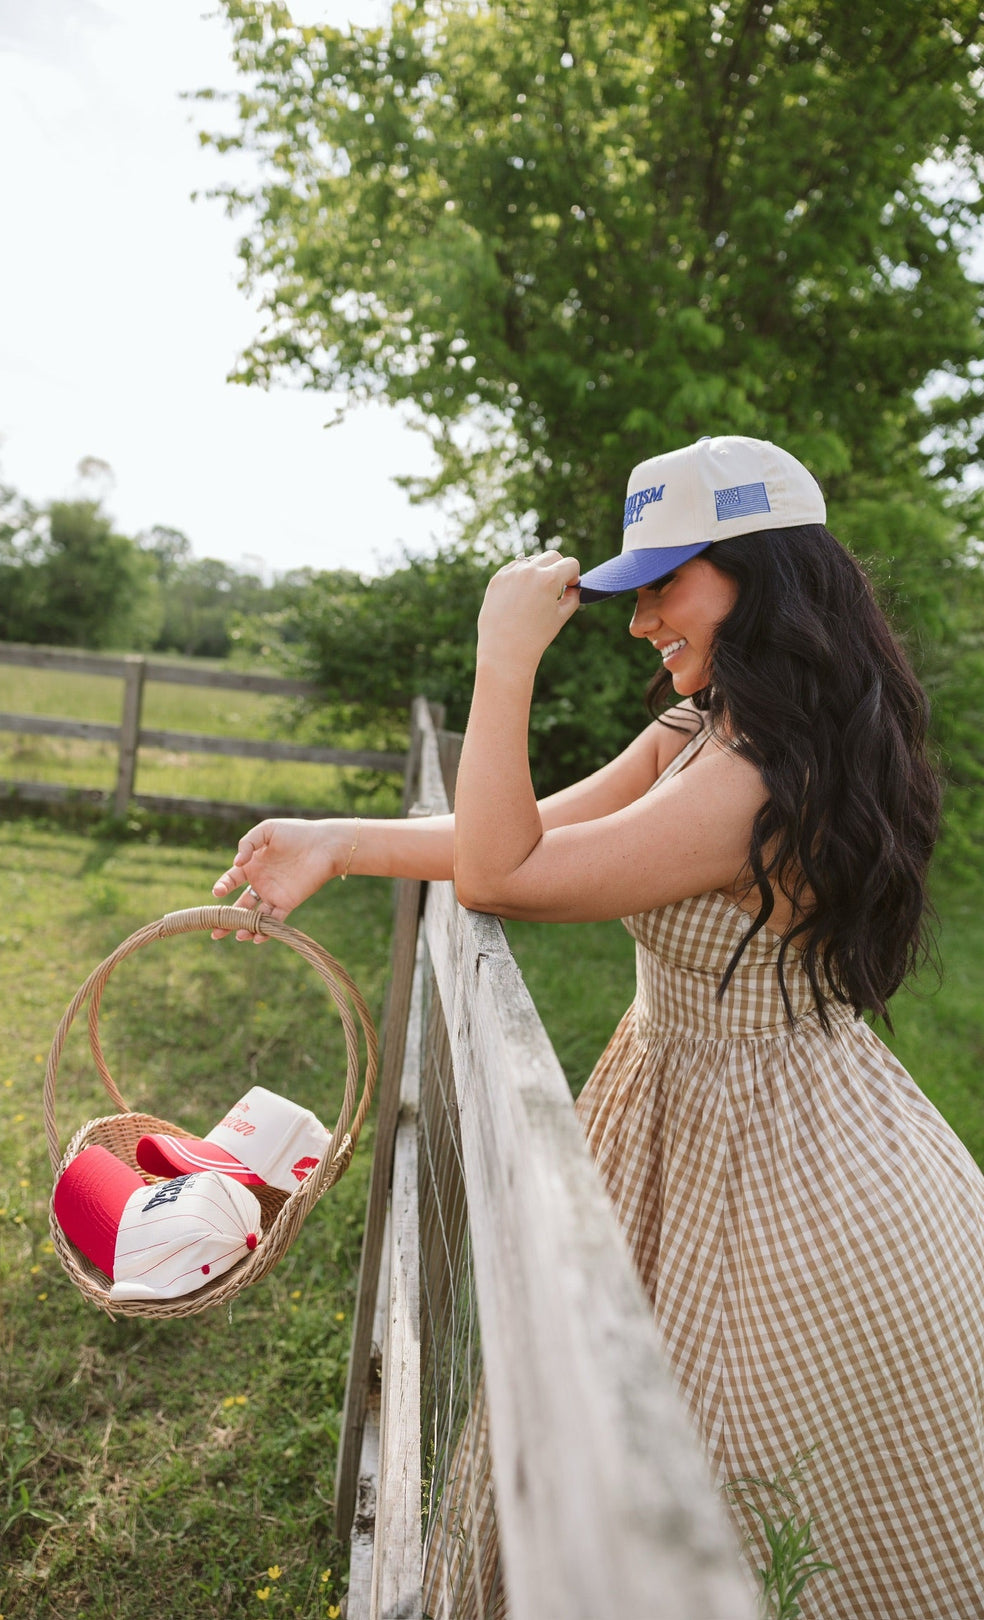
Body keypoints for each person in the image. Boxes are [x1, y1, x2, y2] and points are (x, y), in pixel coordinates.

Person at [212, 436, 984, 1619]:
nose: (641, 621)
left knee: (725, 1495)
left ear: (762, 574)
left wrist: (504, 655)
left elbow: (505, 873)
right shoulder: (704, 739)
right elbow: (526, 830)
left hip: (782, 1173)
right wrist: (337, 837)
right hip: (693, 1115)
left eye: (667, 583)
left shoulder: (759, 780)